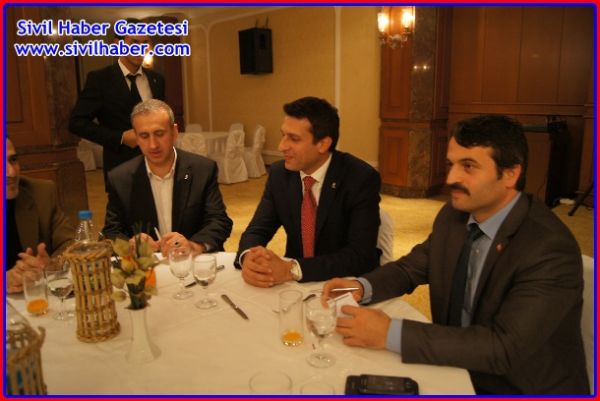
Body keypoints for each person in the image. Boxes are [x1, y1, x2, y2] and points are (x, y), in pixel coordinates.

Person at [323, 114, 589, 394]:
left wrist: (390, 333)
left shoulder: (548, 248)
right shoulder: (455, 215)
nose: (451, 179)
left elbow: (504, 348)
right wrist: (361, 286)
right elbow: (410, 268)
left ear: (511, 174)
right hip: (453, 361)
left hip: (516, 385)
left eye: (469, 166)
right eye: (451, 164)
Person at [236, 96, 381, 286]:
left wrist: (292, 269)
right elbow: (258, 229)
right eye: (283, 135)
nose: (281, 146)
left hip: (343, 283)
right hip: (294, 286)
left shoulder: (360, 178)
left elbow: (361, 255)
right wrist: (248, 257)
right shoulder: (280, 174)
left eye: (294, 139)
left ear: (323, 144)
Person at [102, 99, 232, 257]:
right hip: (148, 265)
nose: (153, 145)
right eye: (144, 136)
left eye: (159, 134)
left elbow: (219, 221)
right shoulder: (120, 178)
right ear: (136, 138)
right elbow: (111, 232)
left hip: (191, 262)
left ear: (174, 132)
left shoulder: (203, 170)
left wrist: (193, 245)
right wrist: (130, 246)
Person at [69, 20, 165, 188]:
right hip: (121, 168)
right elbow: (76, 123)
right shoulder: (100, 79)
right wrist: (119, 138)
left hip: (158, 168)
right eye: (134, 42)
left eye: (145, 43)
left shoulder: (157, 80)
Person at [5, 138, 73, 293]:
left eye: (13, 160)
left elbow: (70, 243)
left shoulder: (41, 193)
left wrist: (52, 264)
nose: (12, 172)